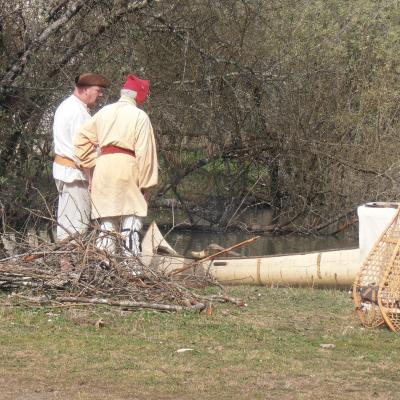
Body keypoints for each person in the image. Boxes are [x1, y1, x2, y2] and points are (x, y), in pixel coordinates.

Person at [74, 74, 158, 256]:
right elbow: (146, 154)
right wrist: (146, 186)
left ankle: (104, 265)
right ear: (139, 95)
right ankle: (132, 269)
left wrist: (93, 163)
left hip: (103, 169)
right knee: (132, 218)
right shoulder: (139, 116)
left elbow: (81, 139)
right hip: (127, 167)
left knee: (107, 221)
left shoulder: (104, 112)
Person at [53, 72, 110, 241]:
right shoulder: (78, 112)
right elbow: (82, 151)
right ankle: (67, 268)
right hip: (75, 176)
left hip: (69, 173)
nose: (100, 95)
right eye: (98, 90)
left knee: (69, 224)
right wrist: (91, 178)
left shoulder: (68, 106)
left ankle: (67, 266)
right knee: (75, 229)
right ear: (85, 90)